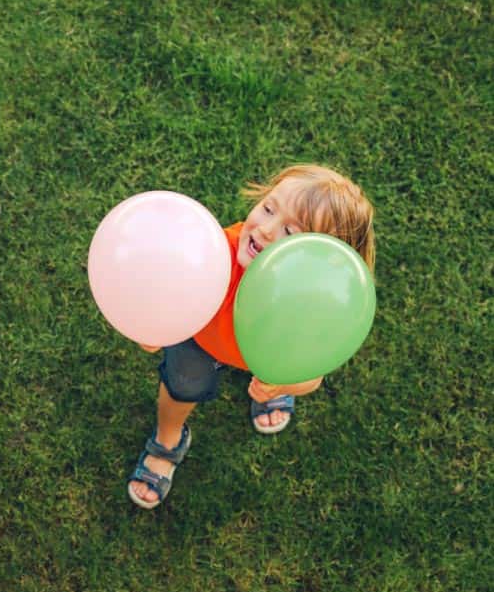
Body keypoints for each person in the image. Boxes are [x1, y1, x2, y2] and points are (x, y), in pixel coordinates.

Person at [127, 165, 376, 509]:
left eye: (290, 231)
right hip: (201, 338)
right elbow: (169, 292)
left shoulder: (313, 305)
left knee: (273, 373)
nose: (265, 230)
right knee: (182, 385)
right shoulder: (213, 256)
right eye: (269, 208)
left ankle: (269, 391)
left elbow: (311, 377)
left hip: (264, 352)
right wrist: (157, 326)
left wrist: (284, 385)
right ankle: (167, 438)